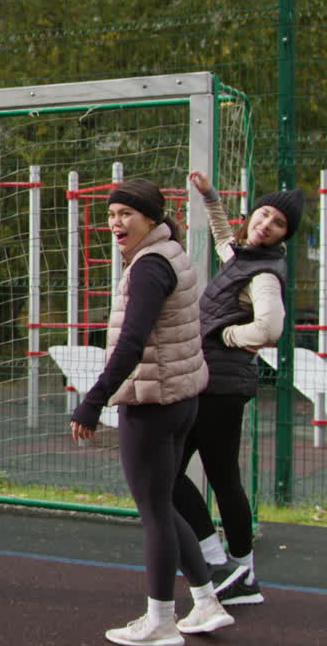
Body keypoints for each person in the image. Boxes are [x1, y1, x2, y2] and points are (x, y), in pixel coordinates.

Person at [70, 178, 234, 646]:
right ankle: (205, 602)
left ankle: (161, 619)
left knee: (155, 512)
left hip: (152, 403)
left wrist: (94, 398)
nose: (115, 223)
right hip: (181, 399)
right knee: (164, 504)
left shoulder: (149, 268)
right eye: (111, 214)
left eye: (126, 214)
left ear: (151, 218)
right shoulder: (171, 254)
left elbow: (132, 344)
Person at [174, 172, 304, 606]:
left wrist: (227, 337)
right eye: (265, 214)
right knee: (202, 473)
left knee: (189, 473)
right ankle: (233, 568)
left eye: (279, 224)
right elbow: (223, 233)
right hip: (214, 381)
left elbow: (271, 327)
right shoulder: (242, 256)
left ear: (284, 235)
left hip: (221, 385)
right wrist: (210, 196)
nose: (267, 224)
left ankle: (233, 568)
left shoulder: (263, 272)